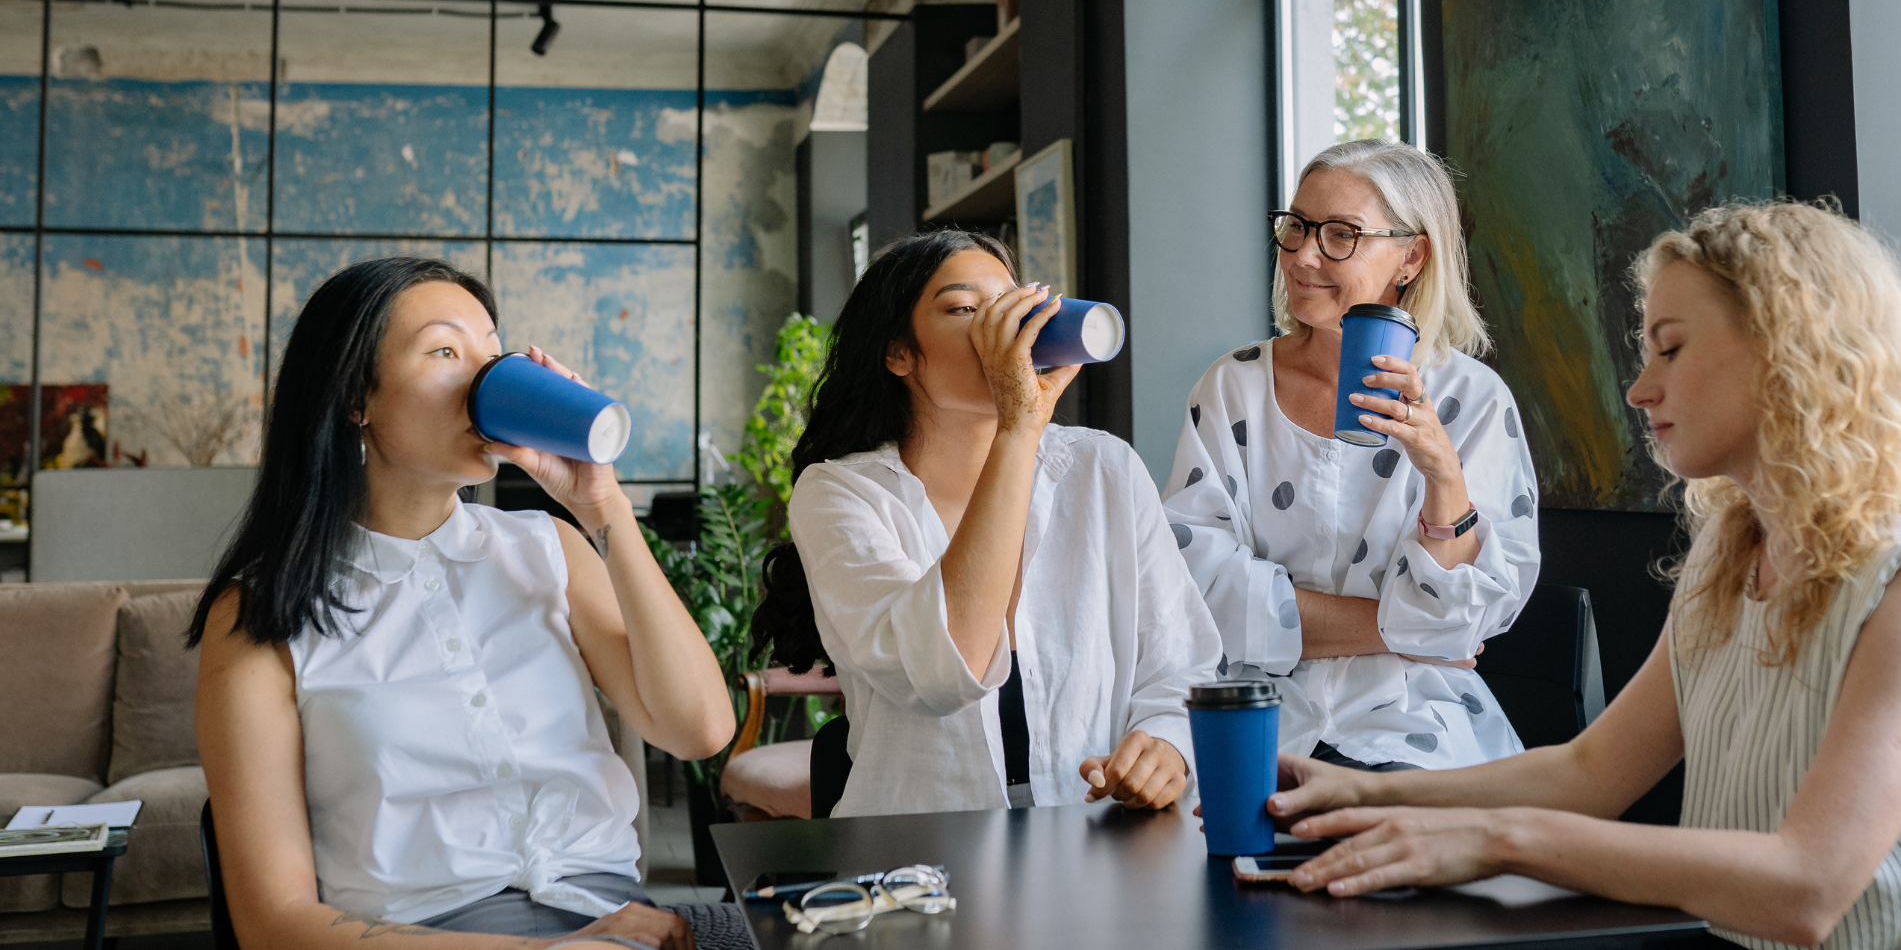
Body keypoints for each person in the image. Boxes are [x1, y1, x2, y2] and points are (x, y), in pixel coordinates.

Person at [1268, 201, 1901, 950]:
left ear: (1788, 350)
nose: (1639, 389)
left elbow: (1806, 887)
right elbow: (1589, 773)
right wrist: (1363, 790)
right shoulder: (1729, 559)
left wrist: (1498, 840)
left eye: (1672, 350)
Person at [191, 257, 740, 950]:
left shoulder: (551, 549)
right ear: (356, 398)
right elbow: (274, 924)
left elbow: (700, 731)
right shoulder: (260, 616)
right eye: (445, 352)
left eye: (491, 351)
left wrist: (605, 509)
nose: (483, 379)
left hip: (622, 920)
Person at [752, 229, 1223, 817]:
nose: (1005, 326)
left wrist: (1168, 744)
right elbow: (944, 671)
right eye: (964, 308)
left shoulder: (1104, 469)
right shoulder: (840, 493)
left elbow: (1182, 664)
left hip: (1093, 832)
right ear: (898, 353)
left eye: (1009, 302)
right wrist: (1018, 427)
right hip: (919, 848)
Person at [1163, 139, 1542, 771]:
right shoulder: (1233, 387)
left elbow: (1469, 614)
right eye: (1296, 226)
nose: (1303, 255)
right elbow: (1197, 590)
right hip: (1255, 713)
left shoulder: (1472, 400)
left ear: (1411, 256)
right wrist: (1406, 633)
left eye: (1342, 235)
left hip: (1412, 717)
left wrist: (1443, 475)